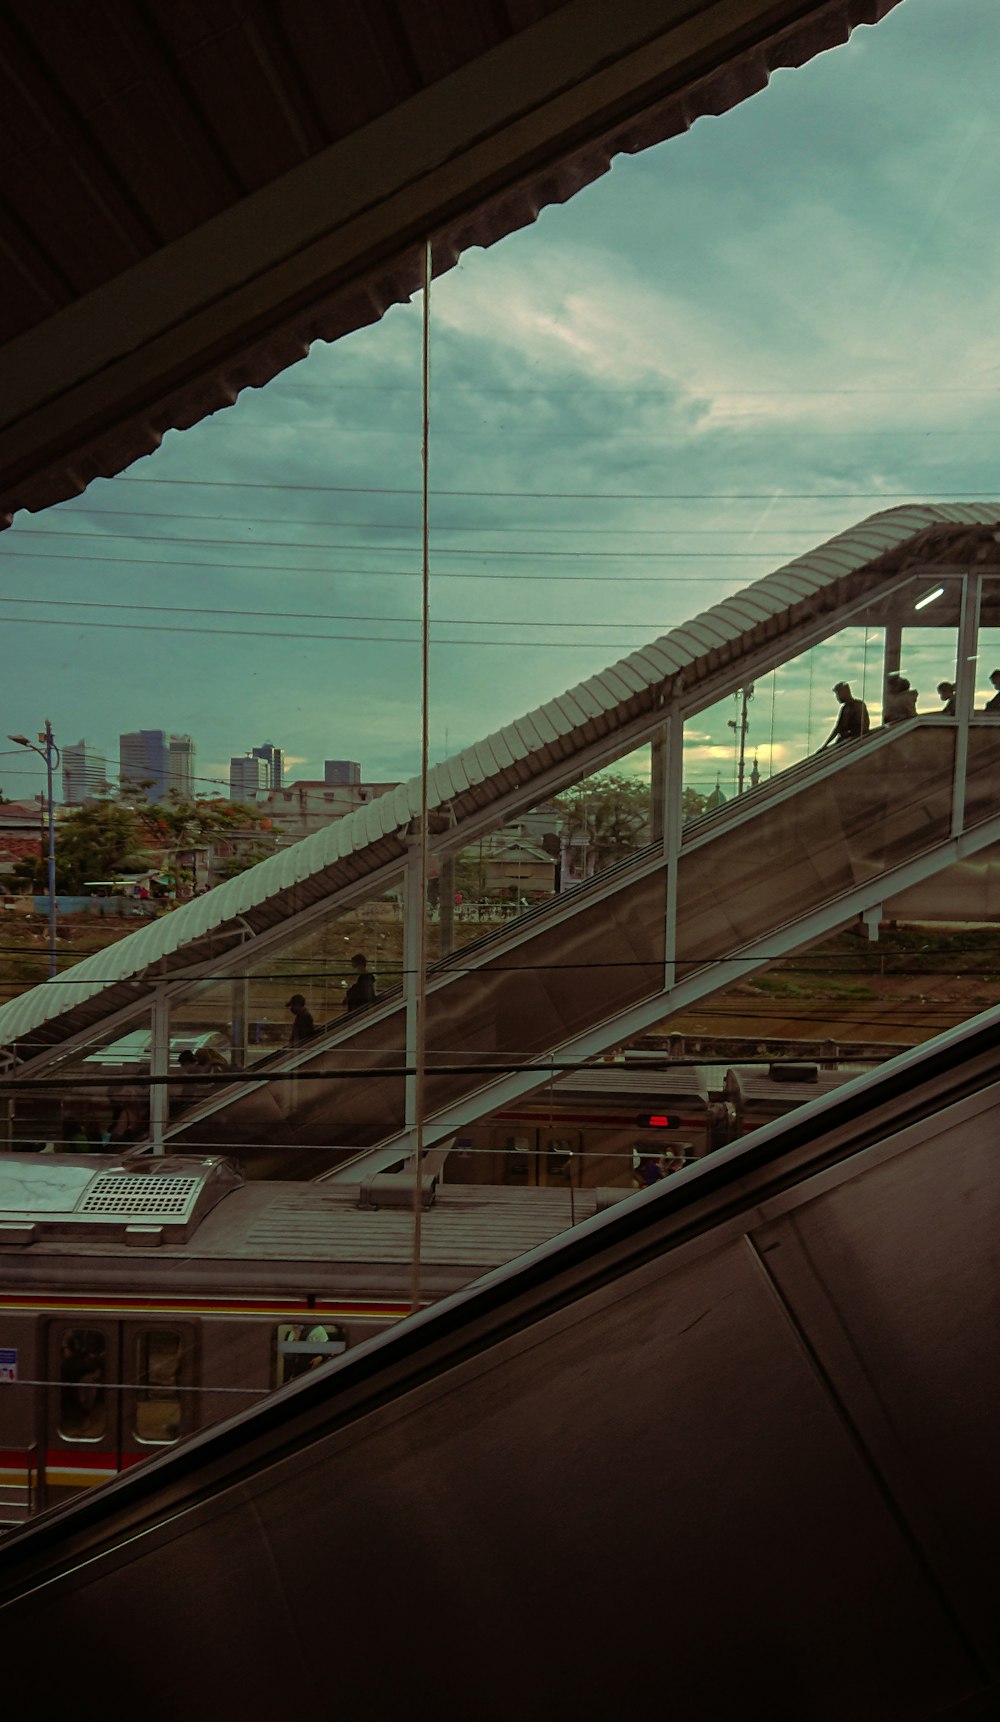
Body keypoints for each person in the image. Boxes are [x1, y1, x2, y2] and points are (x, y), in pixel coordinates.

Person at [821, 681, 870, 749]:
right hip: (848, 741)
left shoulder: (856, 706)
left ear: (845, 692)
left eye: (838, 694)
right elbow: (838, 728)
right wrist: (825, 745)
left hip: (853, 742)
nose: (837, 697)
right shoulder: (847, 708)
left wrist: (825, 745)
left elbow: (838, 728)